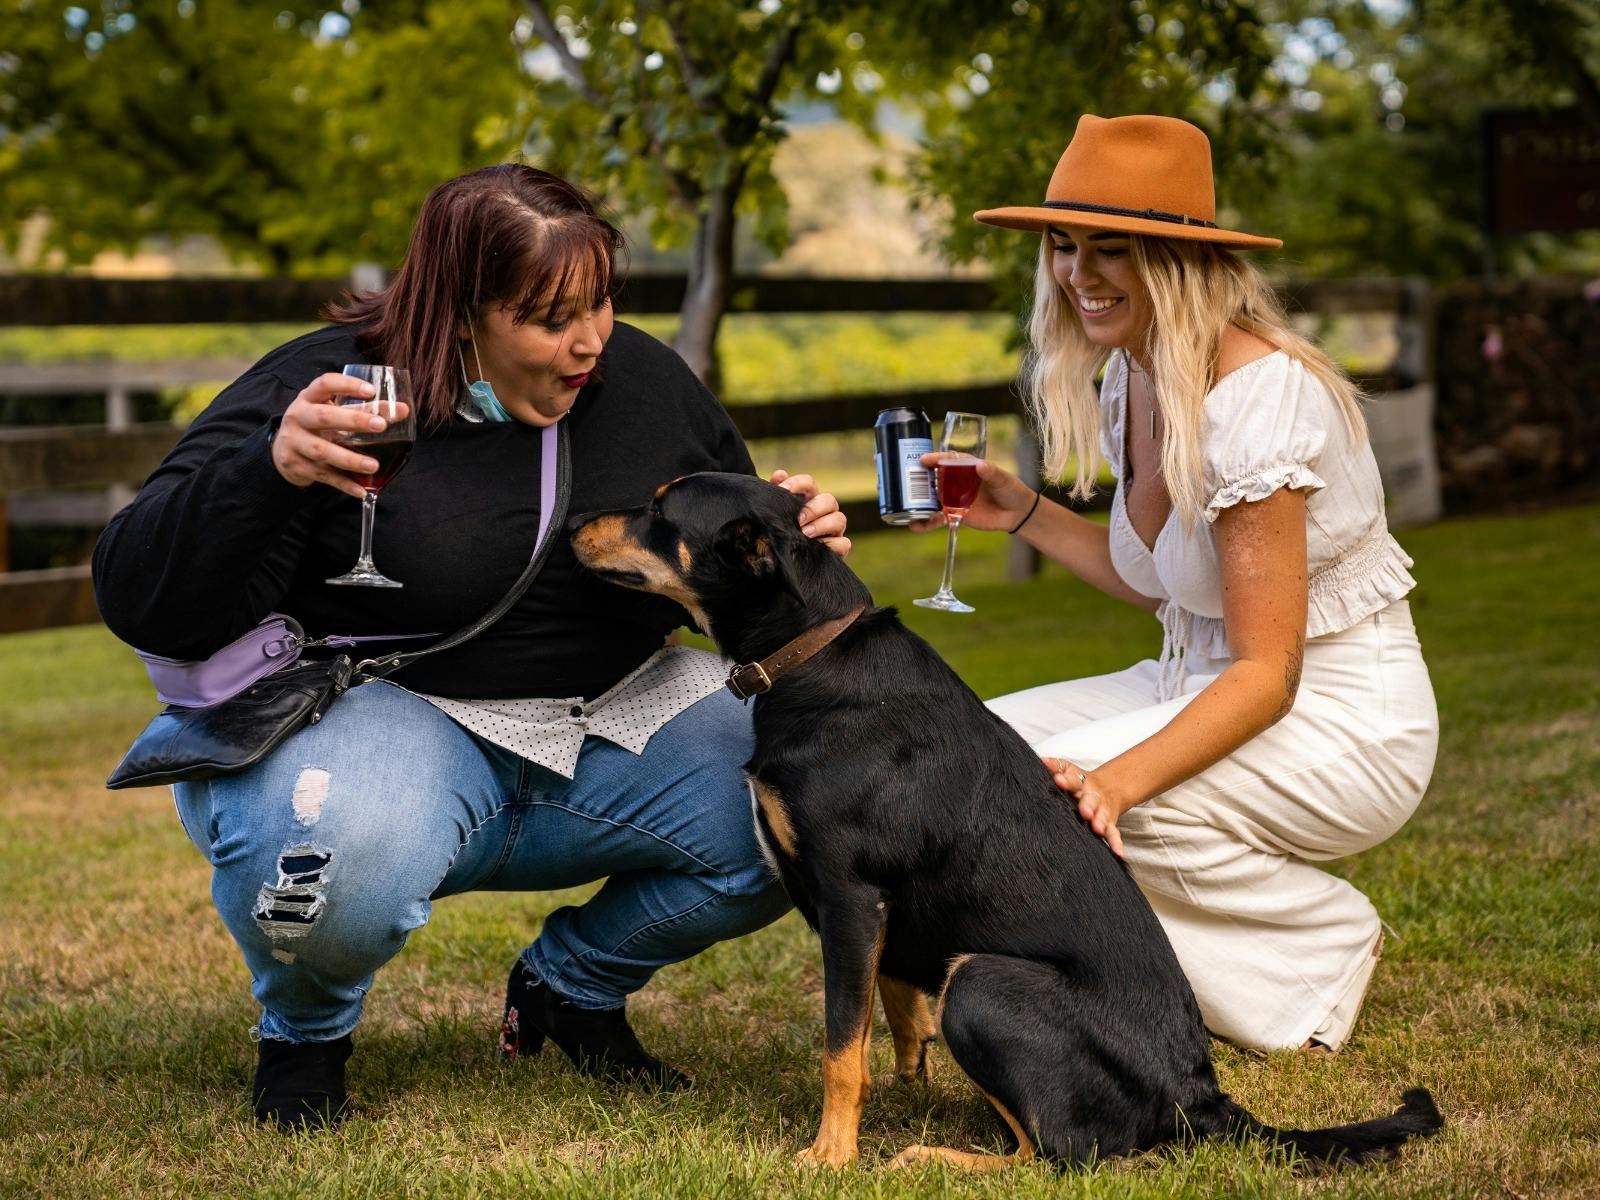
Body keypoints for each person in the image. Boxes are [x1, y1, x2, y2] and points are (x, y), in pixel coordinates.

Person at [93, 164, 849, 1129]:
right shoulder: (323, 385)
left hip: (615, 720)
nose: (589, 342)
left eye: (602, 303)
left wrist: (800, 538)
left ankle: (570, 986)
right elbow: (139, 593)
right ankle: (304, 1033)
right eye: (549, 317)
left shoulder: (649, 383)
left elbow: (734, 566)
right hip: (389, 721)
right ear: (461, 310)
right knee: (328, 858)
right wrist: (266, 470)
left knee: (832, 797)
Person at [936, 114, 1438, 1053]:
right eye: (1063, 244)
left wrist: (1112, 785)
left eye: (1111, 249)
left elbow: (1267, 671)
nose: (1078, 274)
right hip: (1197, 683)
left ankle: (1313, 950)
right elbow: (1163, 582)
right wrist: (1021, 510)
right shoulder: (1138, 373)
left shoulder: (1259, 397)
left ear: (1176, 261)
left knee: (1063, 799)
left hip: (1337, 717)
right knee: (973, 755)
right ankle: (1095, 961)